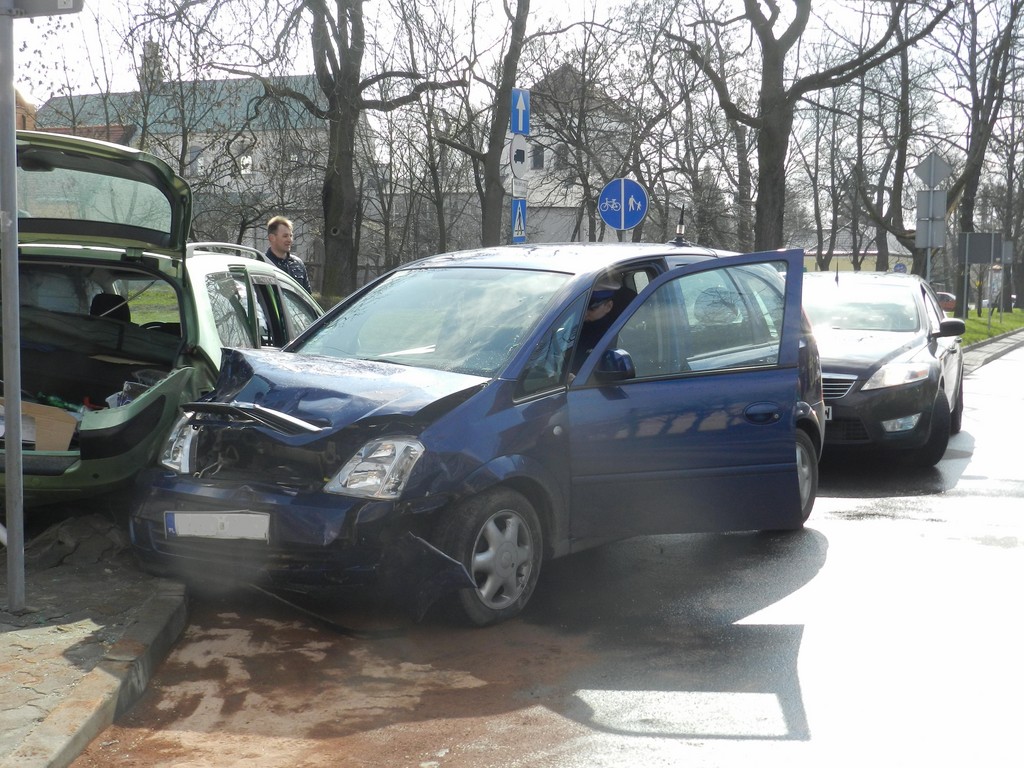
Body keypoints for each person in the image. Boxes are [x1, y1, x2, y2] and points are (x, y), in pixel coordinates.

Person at [265, 216, 312, 293]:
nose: (290, 240)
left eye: (291, 235)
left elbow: (307, 297)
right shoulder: (263, 263)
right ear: (271, 238)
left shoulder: (298, 263)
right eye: (285, 236)